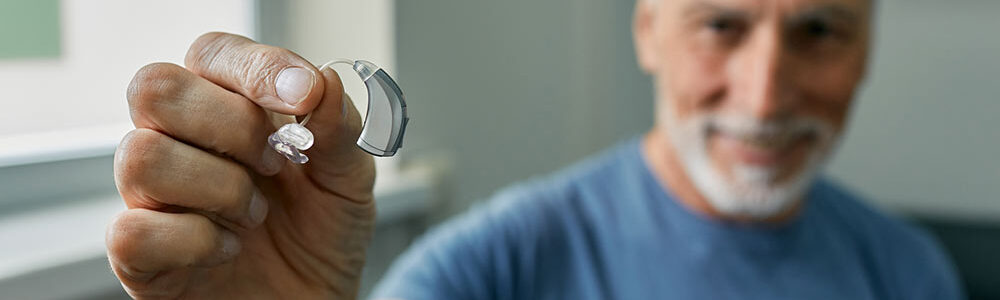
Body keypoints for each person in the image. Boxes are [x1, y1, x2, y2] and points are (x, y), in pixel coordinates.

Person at [105, 0, 963, 298]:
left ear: (866, 54)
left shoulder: (909, 274)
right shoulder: (491, 266)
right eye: (721, 26)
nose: (767, 94)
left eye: (820, 30)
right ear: (649, 34)